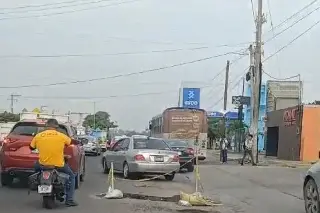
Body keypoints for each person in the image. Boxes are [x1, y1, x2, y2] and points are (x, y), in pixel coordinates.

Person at [30, 119, 78, 207]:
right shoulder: (61, 136)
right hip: (58, 165)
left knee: (35, 169)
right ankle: (69, 200)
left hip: (42, 165)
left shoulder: (38, 136)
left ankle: (37, 182)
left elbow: (31, 147)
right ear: (56, 127)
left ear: (46, 126)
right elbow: (70, 143)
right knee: (71, 176)